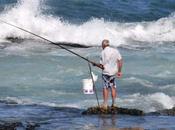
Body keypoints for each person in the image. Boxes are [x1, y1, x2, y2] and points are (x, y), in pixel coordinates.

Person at [92, 39, 123, 108]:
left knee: (105, 88)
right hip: (113, 72)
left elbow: (102, 66)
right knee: (113, 87)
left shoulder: (103, 52)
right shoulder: (115, 51)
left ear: (103, 45)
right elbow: (120, 61)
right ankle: (114, 103)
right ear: (108, 44)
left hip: (106, 73)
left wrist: (95, 64)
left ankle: (105, 104)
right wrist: (119, 71)